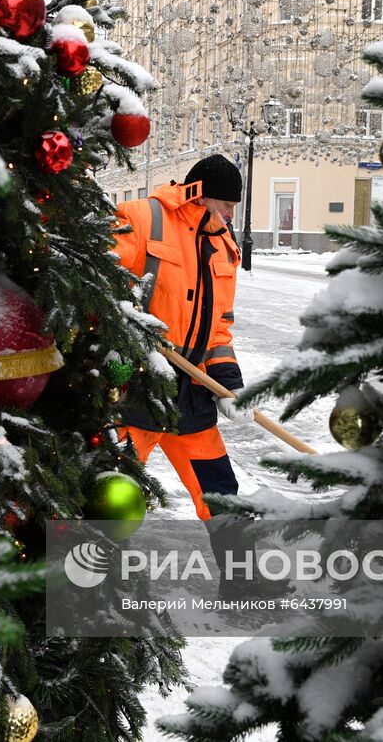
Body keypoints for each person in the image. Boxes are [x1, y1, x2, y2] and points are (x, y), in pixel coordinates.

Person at [111, 154, 247, 522]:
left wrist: (229, 385)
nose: (232, 215)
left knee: (223, 498)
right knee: (109, 499)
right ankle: (91, 578)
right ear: (199, 195)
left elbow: (219, 329)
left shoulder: (224, 248)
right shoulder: (142, 218)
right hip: (135, 388)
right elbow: (96, 284)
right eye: (226, 205)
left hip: (190, 395)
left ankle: (246, 579)